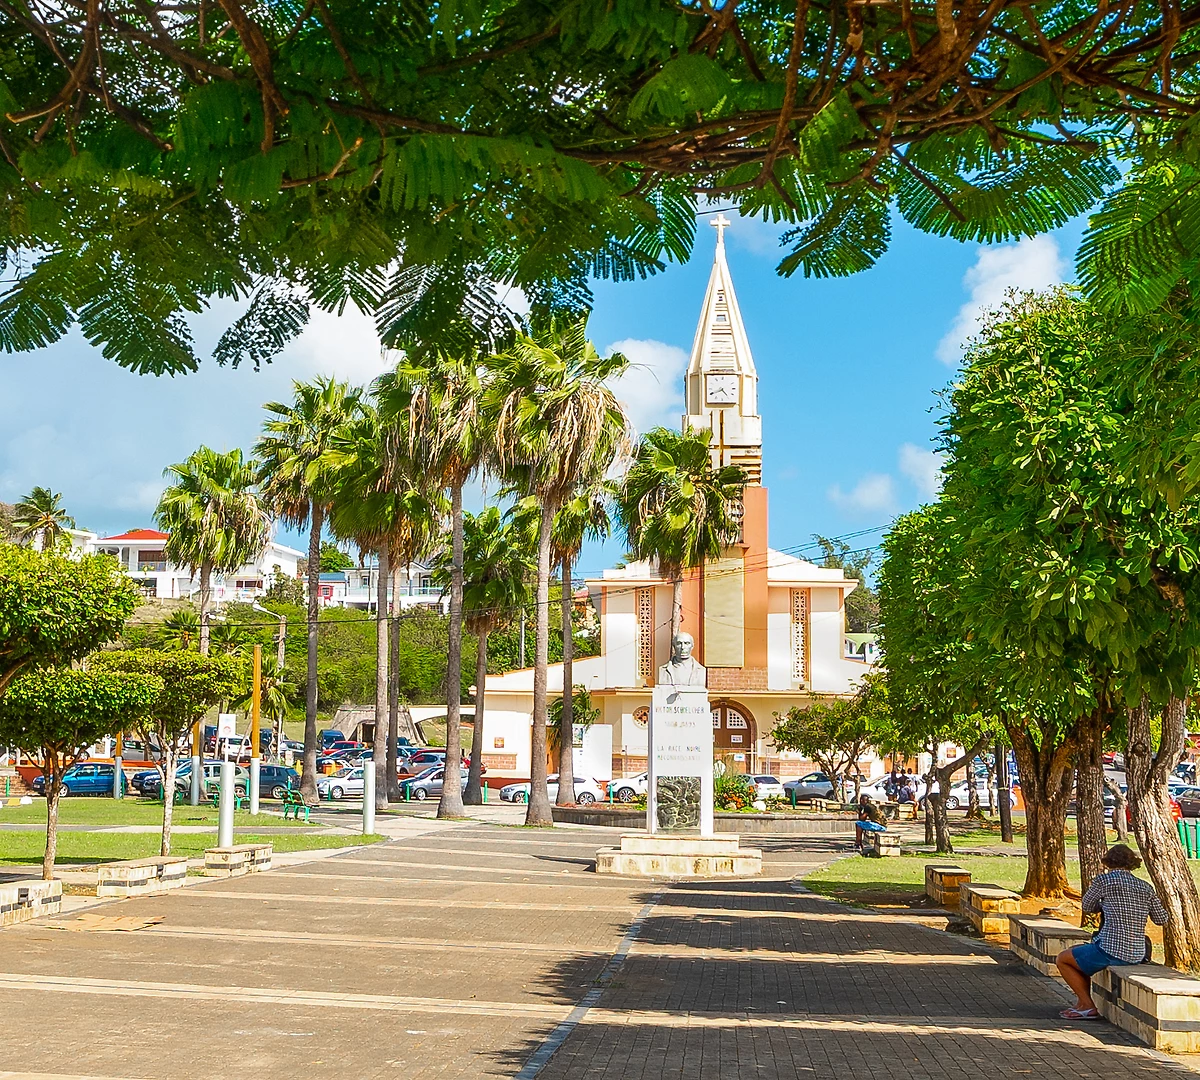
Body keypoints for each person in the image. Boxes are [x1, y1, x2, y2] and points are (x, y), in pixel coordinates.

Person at [1055, 844, 1168, 1020]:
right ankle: (1081, 1004)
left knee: (1063, 959)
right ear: (1132, 863)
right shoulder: (1145, 887)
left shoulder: (1104, 881)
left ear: (1108, 862)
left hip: (1110, 948)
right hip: (1137, 952)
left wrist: (1104, 906)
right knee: (1079, 956)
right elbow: (1161, 919)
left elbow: (1087, 906)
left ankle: (1087, 1005)